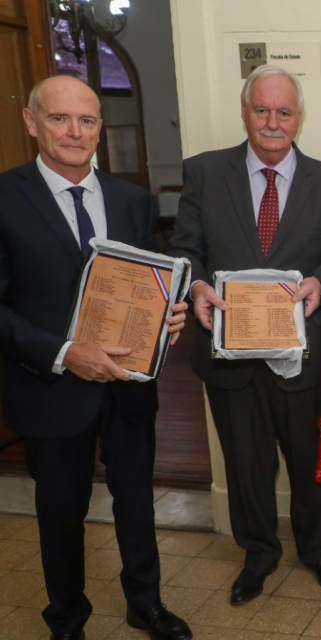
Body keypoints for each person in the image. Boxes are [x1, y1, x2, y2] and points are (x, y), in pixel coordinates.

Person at [0, 76, 191, 640]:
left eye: (86, 120)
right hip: (51, 389)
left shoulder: (132, 200)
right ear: (31, 122)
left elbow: (149, 284)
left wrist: (167, 316)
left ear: (100, 129)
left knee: (137, 502)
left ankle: (145, 603)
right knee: (61, 513)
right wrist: (64, 353)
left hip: (129, 383)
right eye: (59, 118)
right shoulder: (4, 198)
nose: (74, 132)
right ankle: (66, 619)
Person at [169, 65, 321, 606]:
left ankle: (317, 549)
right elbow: (185, 248)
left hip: (300, 352)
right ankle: (258, 554)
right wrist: (198, 285)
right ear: (245, 112)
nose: (273, 121)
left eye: (284, 111)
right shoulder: (204, 172)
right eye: (262, 109)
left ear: (299, 118)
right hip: (228, 353)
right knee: (246, 465)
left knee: (308, 461)